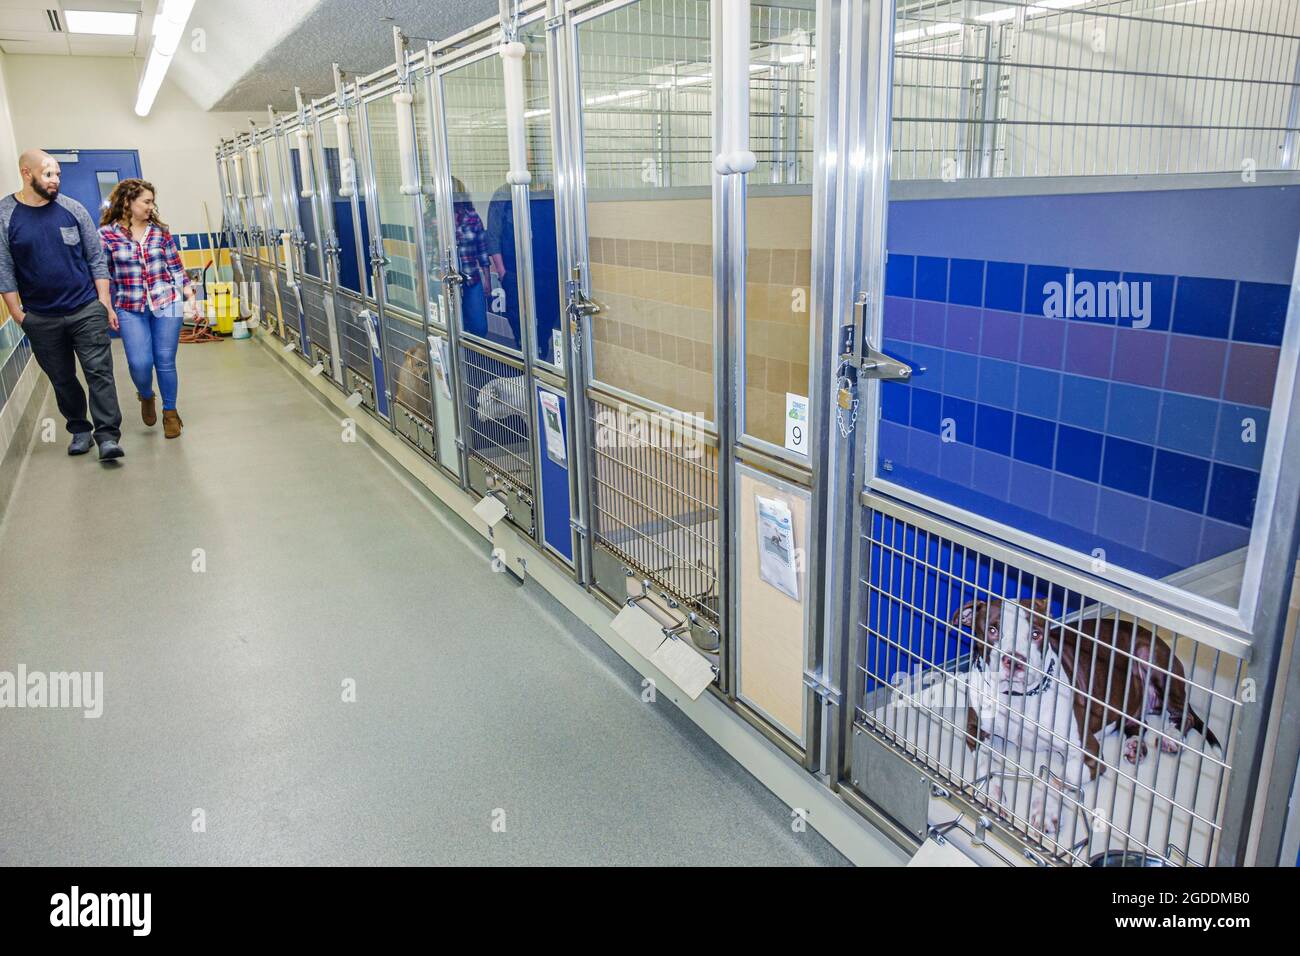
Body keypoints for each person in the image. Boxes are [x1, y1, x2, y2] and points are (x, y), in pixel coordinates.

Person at [0, 149, 123, 460]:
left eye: (57, 174)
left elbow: (96, 259)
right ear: (27, 174)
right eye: (48, 174)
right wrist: (17, 313)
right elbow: (4, 267)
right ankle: (80, 430)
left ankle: (108, 435)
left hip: (85, 309)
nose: (55, 180)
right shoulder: (5, 215)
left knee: (99, 372)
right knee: (62, 378)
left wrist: (103, 304)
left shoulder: (73, 209)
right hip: (41, 317)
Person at [99, 179, 196, 439]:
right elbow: (103, 275)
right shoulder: (107, 234)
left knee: (165, 361)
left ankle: (170, 413)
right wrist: (107, 306)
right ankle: (146, 395)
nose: (151, 206)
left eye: (153, 201)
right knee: (140, 363)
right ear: (128, 202)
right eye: (146, 201)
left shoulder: (160, 232)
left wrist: (188, 294)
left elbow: (175, 266)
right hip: (129, 306)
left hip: (167, 302)